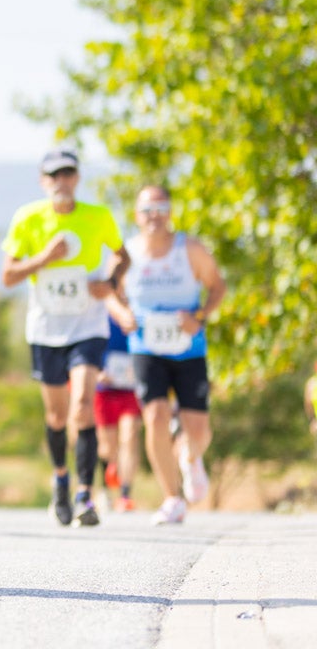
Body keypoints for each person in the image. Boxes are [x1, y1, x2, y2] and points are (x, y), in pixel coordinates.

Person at [1, 148, 129, 527]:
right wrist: (44, 258)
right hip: (46, 328)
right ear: (44, 181)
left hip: (87, 325)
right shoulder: (27, 218)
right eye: (54, 175)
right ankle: (60, 478)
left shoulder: (98, 216)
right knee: (57, 415)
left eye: (68, 173)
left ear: (76, 178)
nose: (61, 181)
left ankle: (85, 494)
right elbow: (8, 276)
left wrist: (110, 283)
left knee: (82, 407)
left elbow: (124, 257)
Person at [106, 185, 225, 526]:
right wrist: (121, 314)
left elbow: (218, 286)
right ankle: (172, 498)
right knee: (155, 416)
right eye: (147, 209)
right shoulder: (127, 253)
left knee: (199, 431)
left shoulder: (189, 249)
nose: (154, 215)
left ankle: (190, 457)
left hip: (189, 348)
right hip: (146, 348)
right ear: (136, 215)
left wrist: (199, 317)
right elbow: (108, 293)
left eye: (161, 207)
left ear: (171, 211)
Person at [94, 314, 141, 512]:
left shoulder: (137, 310)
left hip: (131, 388)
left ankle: (125, 494)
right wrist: (97, 371)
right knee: (107, 447)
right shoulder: (99, 313)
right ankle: (104, 489)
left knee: (129, 438)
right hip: (105, 388)